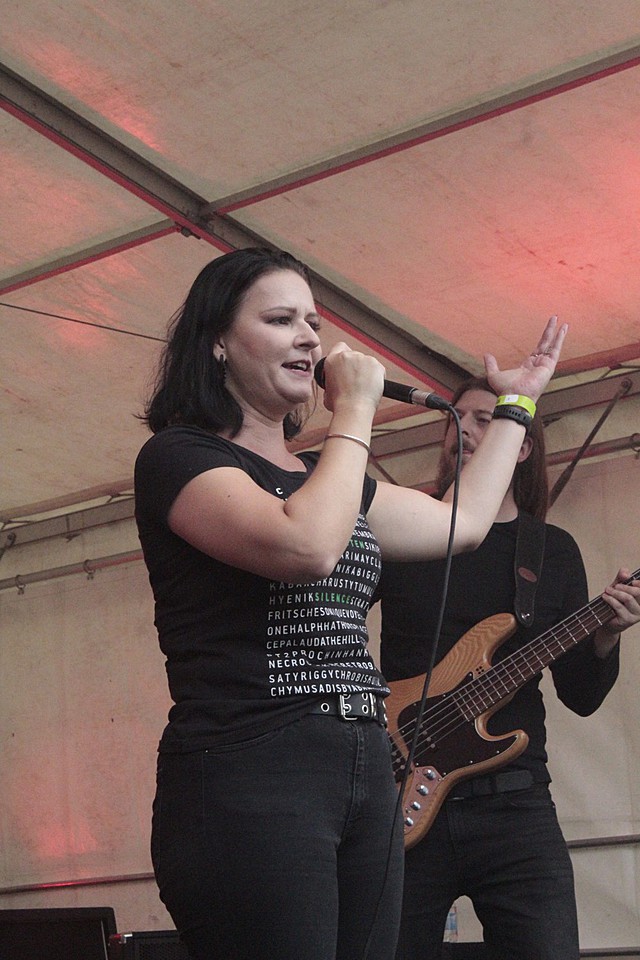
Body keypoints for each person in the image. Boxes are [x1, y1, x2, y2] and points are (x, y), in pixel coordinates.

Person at [134, 246, 568, 960]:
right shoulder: (181, 458)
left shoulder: (326, 474)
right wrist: (357, 412)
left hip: (365, 759)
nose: (309, 338)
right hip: (253, 764)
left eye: (313, 321)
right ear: (216, 341)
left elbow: (463, 523)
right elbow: (305, 545)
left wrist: (517, 405)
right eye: (281, 320)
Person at [377, 376, 640, 960]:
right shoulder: (404, 532)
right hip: (400, 793)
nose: (464, 430)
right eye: (456, 418)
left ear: (521, 447)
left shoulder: (550, 550)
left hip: (515, 806)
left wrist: (605, 636)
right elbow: (330, 621)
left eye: (485, 420)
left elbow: (580, 695)